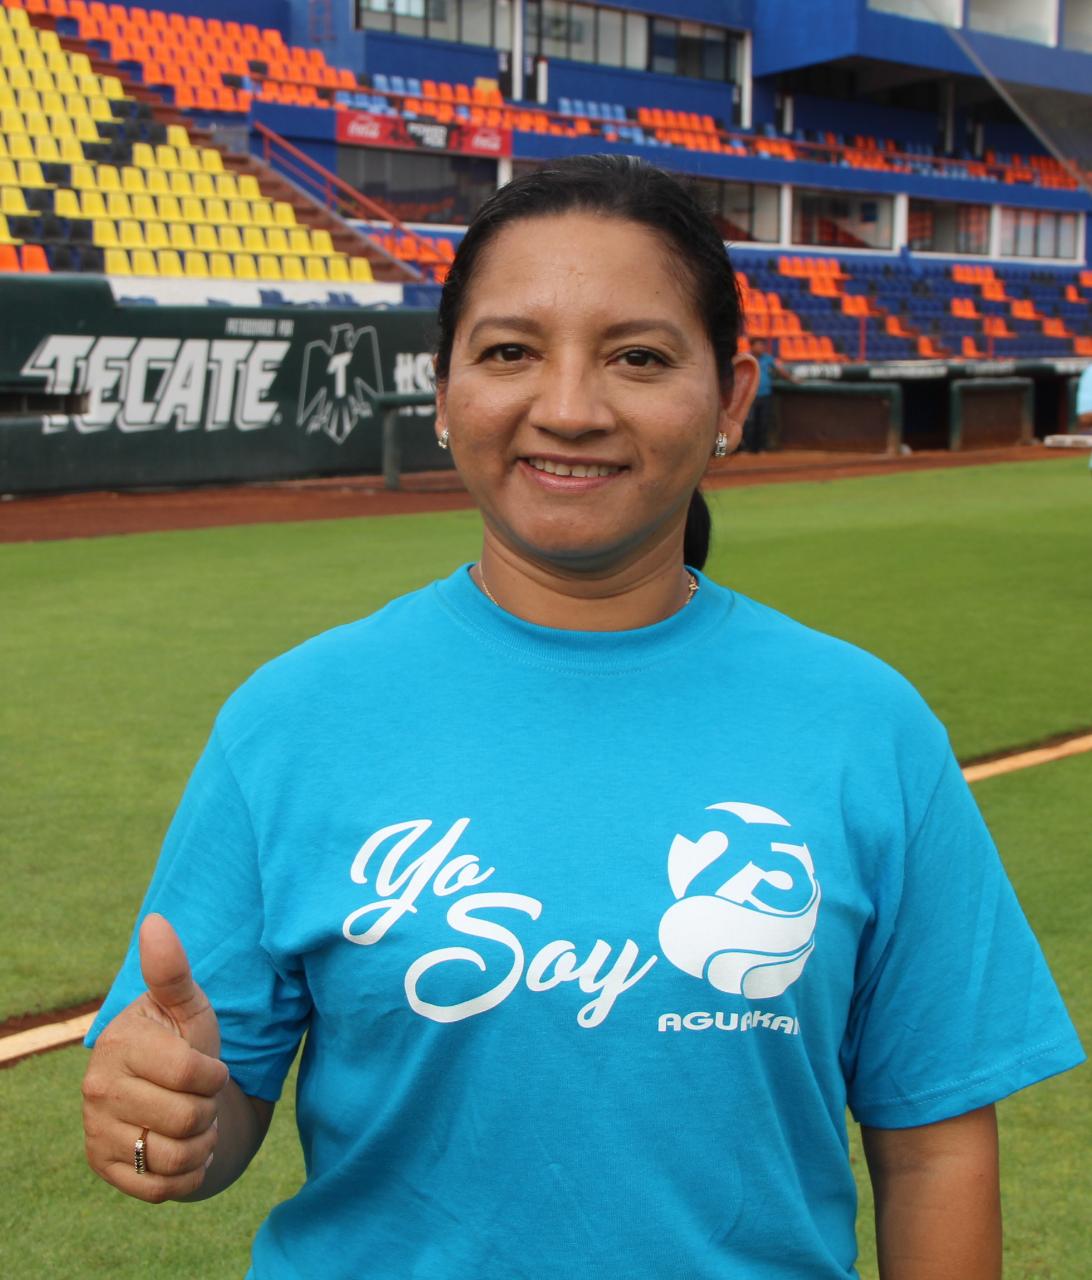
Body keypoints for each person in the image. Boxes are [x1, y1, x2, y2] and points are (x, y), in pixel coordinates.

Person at [82, 157, 1083, 1280]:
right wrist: (169, 1118)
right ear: (444, 390)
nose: (567, 409)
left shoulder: (869, 728)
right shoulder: (292, 719)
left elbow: (934, 1149)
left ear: (732, 398)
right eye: (510, 352)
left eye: (638, 357)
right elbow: (210, 1115)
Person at [740, 336, 787, 453]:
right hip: (749, 396)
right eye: (759, 345)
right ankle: (746, 448)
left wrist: (792, 379)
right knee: (749, 423)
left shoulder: (768, 358)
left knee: (763, 422)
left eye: (763, 345)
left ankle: (760, 448)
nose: (761, 347)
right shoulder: (745, 358)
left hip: (765, 394)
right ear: (752, 346)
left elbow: (780, 370)